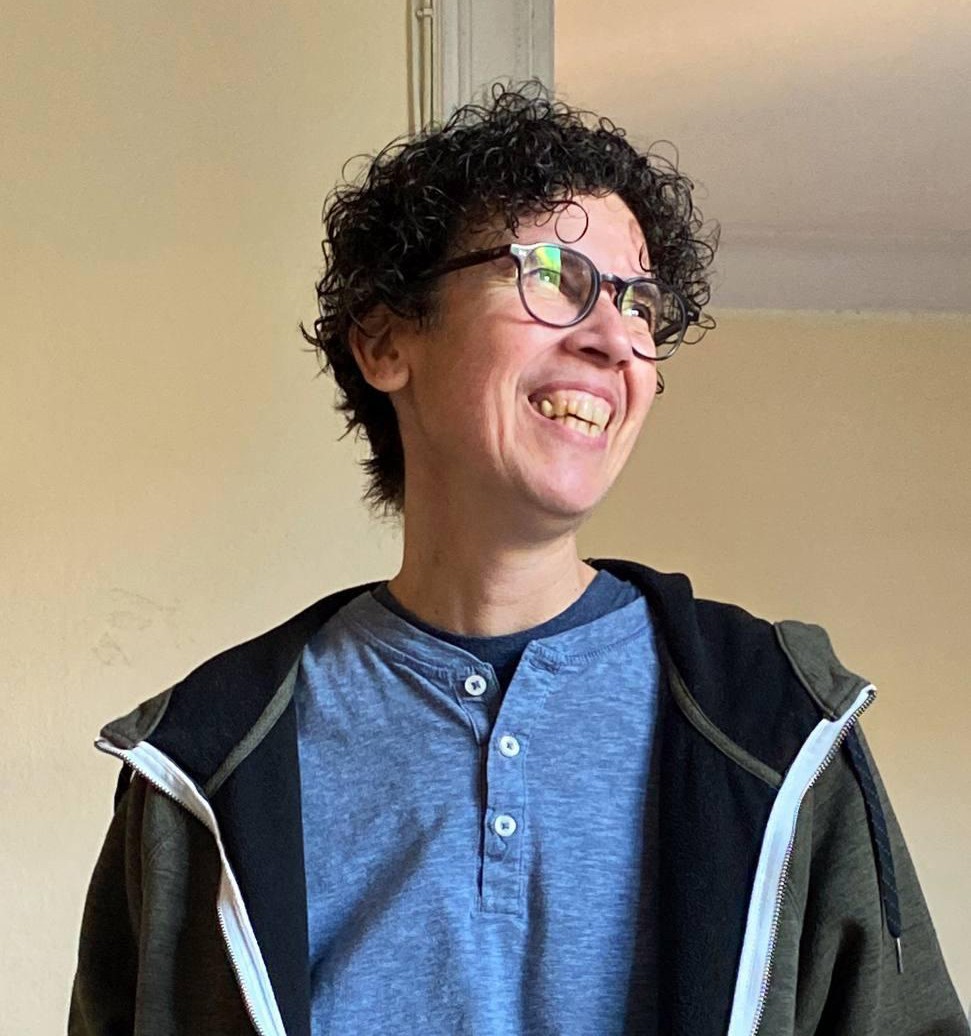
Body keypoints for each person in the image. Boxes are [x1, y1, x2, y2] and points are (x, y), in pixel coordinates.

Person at [69, 84, 967, 1035]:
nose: (615, 340)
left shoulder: (779, 722)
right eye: (551, 273)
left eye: (637, 304)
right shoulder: (204, 757)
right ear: (384, 341)